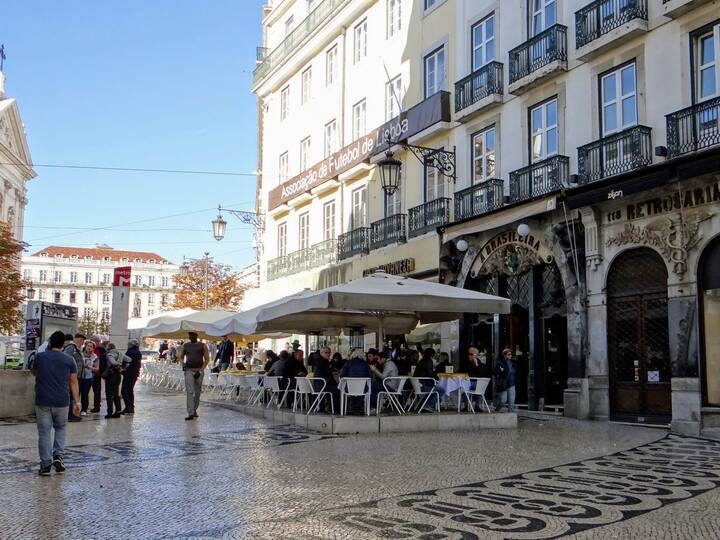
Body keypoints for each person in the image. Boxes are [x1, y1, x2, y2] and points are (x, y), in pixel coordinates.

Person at [31, 330, 80, 476]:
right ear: (63, 344)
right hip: (62, 400)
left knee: (44, 432)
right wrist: (77, 402)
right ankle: (58, 456)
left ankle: (45, 464)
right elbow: (73, 382)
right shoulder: (68, 360)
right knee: (60, 428)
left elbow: (34, 372)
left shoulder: (40, 357)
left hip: (43, 400)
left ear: (51, 342)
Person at [179, 332, 210, 420]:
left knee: (197, 392)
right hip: (189, 370)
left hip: (199, 371)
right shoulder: (185, 346)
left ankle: (194, 409)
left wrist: (201, 369)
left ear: (196, 336)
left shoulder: (203, 345)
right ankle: (190, 412)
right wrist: (183, 363)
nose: (191, 337)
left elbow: (207, 359)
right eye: (190, 336)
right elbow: (180, 357)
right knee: (190, 391)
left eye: (193, 335)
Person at [339, 348, 372, 414]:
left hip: (349, 388)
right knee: (361, 390)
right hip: (363, 389)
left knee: (351, 389)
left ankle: (352, 409)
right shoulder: (365, 364)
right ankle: (360, 409)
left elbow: (342, 375)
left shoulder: (348, 363)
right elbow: (370, 376)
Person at [63, 333, 85, 422]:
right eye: (81, 340)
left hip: (76, 375)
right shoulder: (71, 347)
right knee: (71, 395)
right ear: (76, 339)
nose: (82, 342)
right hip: (72, 376)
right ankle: (69, 415)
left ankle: (71, 414)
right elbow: (66, 358)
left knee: (72, 396)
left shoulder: (75, 347)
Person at [104, 343, 131, 419]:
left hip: (111, 375)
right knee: (116, 394)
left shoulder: (109, 354)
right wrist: (123, 367)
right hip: (118, 375)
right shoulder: (120, 354)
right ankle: (118, 411)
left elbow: (113, 363)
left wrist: (118, 365)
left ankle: (109, 412)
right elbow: (129, 360)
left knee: (109, 394)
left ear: (108, 348)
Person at [312, 346, 340, 413]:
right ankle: (335, 409)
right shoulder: (322, 361)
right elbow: (328, 374)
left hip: (319, 384)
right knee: (337, 389)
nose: (328, 354)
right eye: (326, 352)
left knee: (335, 387)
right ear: (321, 353)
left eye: (329, 352)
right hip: (321, 385)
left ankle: (328, 408)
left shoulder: (322, 360)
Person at [121, 339, 142, 414]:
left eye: (128, 344)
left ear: (131, 345)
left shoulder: (129, 352)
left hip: (128, 373)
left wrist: (122, 369)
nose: (128, 346)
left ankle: (128, 407)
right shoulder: (138, 352)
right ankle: (131, 407)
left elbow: (125, 361)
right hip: (135, 374)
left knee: (124, 391)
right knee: (130, 390)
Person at [493, 348, 517, 412]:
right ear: (504, 355)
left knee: (511, 401)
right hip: (503, 384)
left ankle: (511, 415)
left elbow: (516, 373)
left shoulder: (513, 363)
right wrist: (500, 371)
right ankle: (497, 409)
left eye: (511, 354)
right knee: (503, 401)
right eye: (508, 354)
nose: (510, 356)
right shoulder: (500, 363)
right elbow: (494, 372)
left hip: (512, 384)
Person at [79, 341, 98, 416]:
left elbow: (97, 369)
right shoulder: (80, 354)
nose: (89, 347)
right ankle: (74, 409)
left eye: (91, 346)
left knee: (85, 393)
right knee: (77, 393)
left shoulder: (95, 357)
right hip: (79, 376)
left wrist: (89, 366)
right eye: (87, 346)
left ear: (93, 348)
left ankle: (84, 409)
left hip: (88, 378)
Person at [90, 335, 106, 413]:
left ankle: (97, 406)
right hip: (87, 374)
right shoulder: (86, 349)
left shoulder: (102, 350)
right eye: (97, 341)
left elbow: (104, 361)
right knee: (85, 391)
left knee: (97, 391)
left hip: (97, 374)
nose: (98, 342)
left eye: (99, 341)